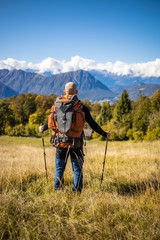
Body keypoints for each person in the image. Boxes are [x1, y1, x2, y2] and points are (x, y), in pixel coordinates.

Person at [39, 82, 110, 192]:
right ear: (76, 92)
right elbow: (92, 124)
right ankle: (76, 191)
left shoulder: (56, 105)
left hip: (60, 142)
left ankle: (57, 190)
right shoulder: (81, 107)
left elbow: (49, 120)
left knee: (59, 168)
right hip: (76, 142)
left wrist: (42, 128)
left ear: (64, 92)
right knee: (77, 169)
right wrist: (104, 134)